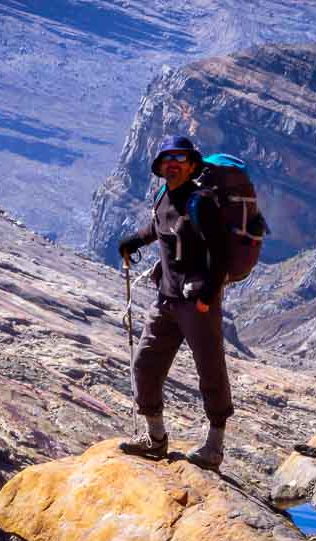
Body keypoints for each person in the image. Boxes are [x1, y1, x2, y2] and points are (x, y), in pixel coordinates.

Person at [117, 135, 232, 470]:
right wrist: (134, 240)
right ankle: (155, 438)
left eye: (180, 158)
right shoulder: (164, 196)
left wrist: (208, 297)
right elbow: (158, 227)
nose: (173, 163)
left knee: (210, 370)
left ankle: (214, 446)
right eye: (167, 158)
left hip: (197, 302)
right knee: (144, 364)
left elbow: (222, 254)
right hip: (165, 300)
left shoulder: (201, 202)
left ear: (192, 165)